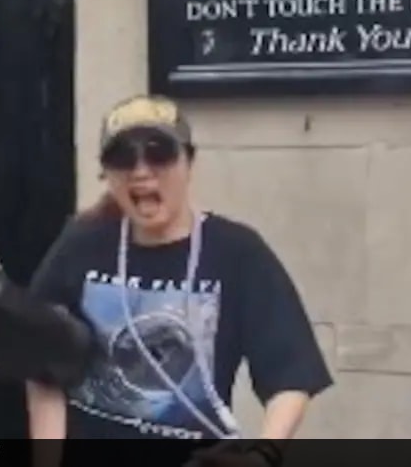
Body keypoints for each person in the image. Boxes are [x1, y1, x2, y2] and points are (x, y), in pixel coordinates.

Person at [24, 95, 332, 460]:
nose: (141, 171)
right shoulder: (81, 245)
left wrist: (264, 452)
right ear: (106, 172)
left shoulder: (237, 252)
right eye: (123, 157)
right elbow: (41, 363)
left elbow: (291, 374)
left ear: (189, 161)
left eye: (159, 154)